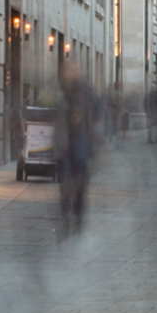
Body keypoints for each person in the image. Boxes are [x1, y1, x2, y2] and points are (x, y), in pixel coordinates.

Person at [56, 63, 101, 232]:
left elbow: (96, 114)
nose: (69, 74)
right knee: (66, 183)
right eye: (67, 71)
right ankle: (67, 214)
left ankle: (77, 214)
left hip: (81, 143)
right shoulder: (61, 93)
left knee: (80, 182)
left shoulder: (87, 93)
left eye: (72, 71)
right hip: (66, 145)